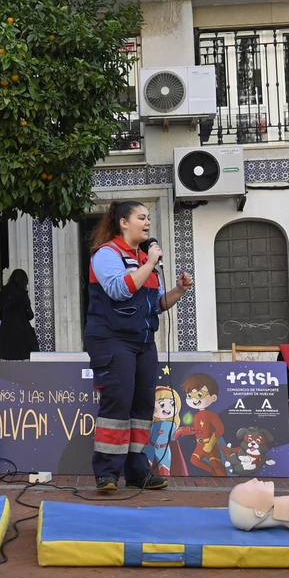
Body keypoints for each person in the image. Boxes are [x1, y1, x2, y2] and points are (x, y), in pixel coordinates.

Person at [84, 200, 193, 493]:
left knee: (143, 407)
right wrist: (149, 263)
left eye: (148, 218)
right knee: (116, 404)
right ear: (123, 222)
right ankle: (106, 473)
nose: (147, 223)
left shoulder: (144, 259)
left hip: (143, 341)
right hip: (111, 338)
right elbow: (119, 290)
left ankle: (137, 471)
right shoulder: (107, 254)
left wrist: (179, 291)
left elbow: (156, 304)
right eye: (141, 218)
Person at [0, 269, 37, 361]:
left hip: (6, 336)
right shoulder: (22, 295)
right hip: (22, 337)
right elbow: (30, 315)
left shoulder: (2, 295)